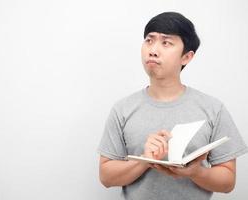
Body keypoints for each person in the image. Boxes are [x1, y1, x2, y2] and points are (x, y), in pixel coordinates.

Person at [97, 12, 248, 200]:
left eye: (166, 42)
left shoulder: (213, 109)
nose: (153, 50)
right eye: (149, 40)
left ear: (186, 57)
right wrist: (146, 159)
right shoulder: (122, 109)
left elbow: (228, 182)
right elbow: (106, 177)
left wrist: (195, 172)